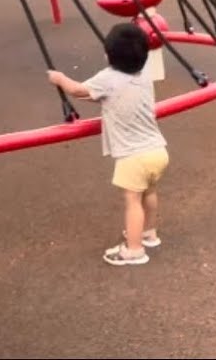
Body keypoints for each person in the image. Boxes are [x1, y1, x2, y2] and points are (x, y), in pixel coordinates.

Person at [47, 23, 168, 267]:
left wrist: (59, 79)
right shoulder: (143, 74)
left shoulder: (107, 78)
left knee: (132, 201)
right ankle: (149, 233)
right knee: (150, 193)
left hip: (133, 157)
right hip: (158, 150)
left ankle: (134, 250)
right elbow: (109, 96)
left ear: (108, 55)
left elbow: (77, 90)